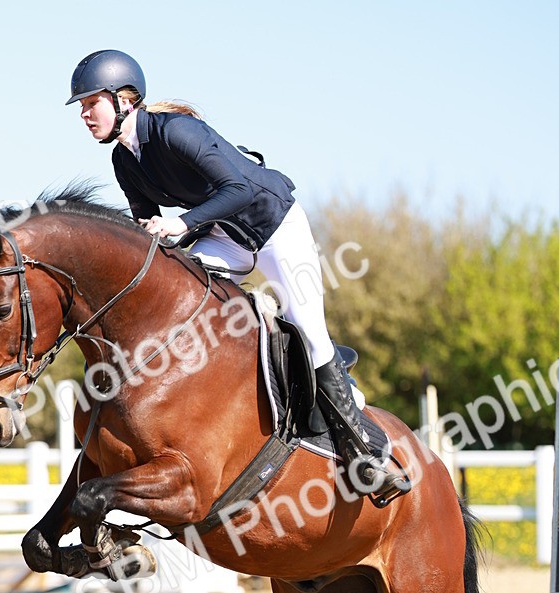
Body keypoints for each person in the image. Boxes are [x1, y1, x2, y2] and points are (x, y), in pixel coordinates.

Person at [66, 49, 410, 502]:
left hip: (274, 226)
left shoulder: (177, 131)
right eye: (83, 107)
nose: (86, 115)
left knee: (308, 330)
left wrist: (183, 224)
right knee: (183, 299)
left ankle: (366, 450)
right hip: (225, 237)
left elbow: (241, 188)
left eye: (92, 103)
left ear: (124, 98)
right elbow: (149, 233)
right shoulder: (125, 162)